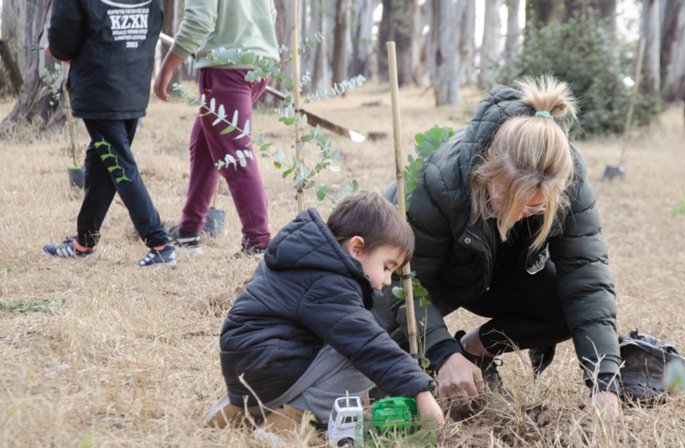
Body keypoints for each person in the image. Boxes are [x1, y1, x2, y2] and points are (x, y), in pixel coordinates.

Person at [373, 76, 622, 417]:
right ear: (487, 171)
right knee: (378, 375)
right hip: (435, 275)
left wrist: (605, 384)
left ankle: (476, 350)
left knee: (566, 308)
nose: (520, 215)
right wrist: (443, 354)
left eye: (534, 209)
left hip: (500, 272)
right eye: (509, 202)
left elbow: (587, 279)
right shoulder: (440, 180)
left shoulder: (567, 177)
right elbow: (405, 284)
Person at [205, 192, 444, 430]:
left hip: (246, 366)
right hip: (268, 366)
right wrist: (420, 390)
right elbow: (367, 343)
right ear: (357, 248)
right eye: (386, 267)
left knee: (352, 343)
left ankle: (240, 411)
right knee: (361, 357)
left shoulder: (307, 258)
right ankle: (289, 425)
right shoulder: (329, 282)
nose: (387, 280)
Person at [43, 0, 175, 268]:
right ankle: (84, 241)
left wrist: (59, 51)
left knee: (119, 164)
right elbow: (155, 23)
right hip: (133, 85)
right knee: (102, 159)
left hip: (100, 88)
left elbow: (63, 36)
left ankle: (159, 243)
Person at [153, 0, 278, 257]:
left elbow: (199, 21)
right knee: (203, 144)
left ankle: (258, 241)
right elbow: (271, 12)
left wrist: (166, 68)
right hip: (260, 62)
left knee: (235, 153)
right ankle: (189, 230)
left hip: (226, 67)